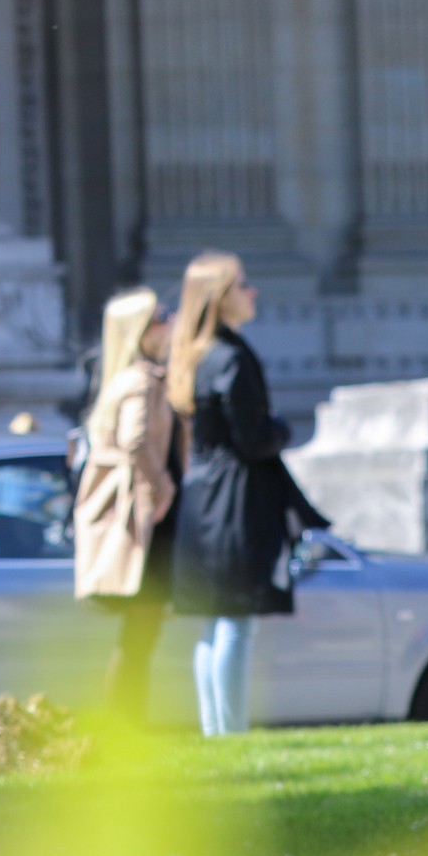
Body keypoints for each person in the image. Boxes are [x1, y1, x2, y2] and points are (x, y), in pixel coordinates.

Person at [164, 251, 328, 738]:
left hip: (203, 500)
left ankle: (218, 730)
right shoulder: (230, 358)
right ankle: (228, 734)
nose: (252, 292)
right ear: (219, 298)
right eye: (243, 284)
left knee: (215, 624)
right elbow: (253, 438)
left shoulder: (193, 356)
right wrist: (282, 428)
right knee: (236, 619)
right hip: (235, 501)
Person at [72, 288, 179, 723]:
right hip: (142, 521)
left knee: (140, 633)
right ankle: (126, 722)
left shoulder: (126, 378)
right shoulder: (140, 379)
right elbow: (135, 442)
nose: (170, 322)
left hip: (141, 517)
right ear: (141, 329)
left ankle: (128, 722)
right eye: (161, 316)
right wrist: (164, 482)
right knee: (141, 631)